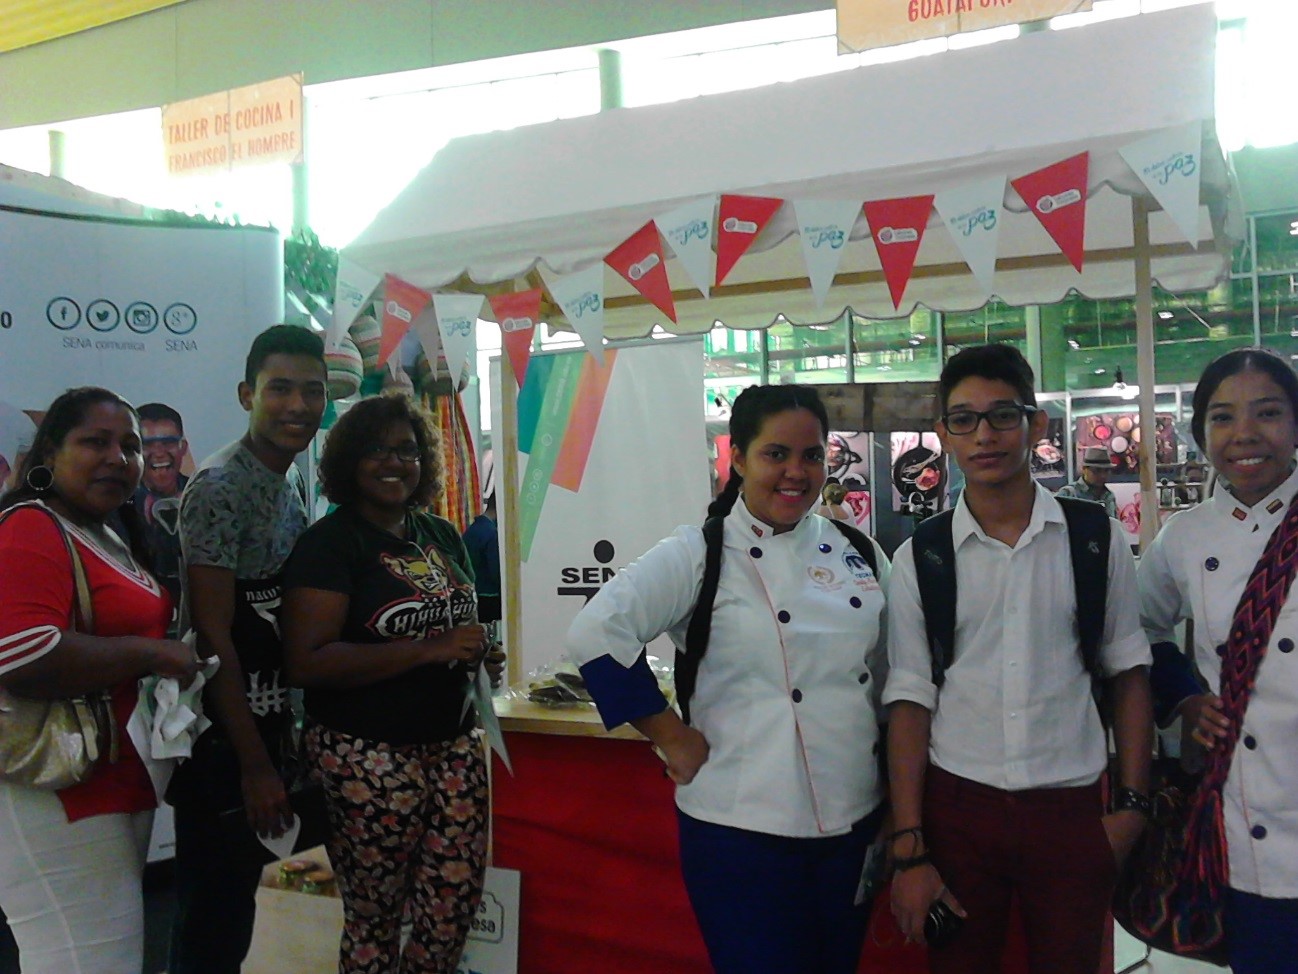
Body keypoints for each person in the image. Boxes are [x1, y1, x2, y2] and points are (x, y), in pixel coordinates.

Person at [567, 384, 890, 974]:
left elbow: (891, 676)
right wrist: (670, 735)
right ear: (737, 457)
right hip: (739, 830)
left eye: (812, 455)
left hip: (853, 823)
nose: (796, 472)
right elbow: (596, 633)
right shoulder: (699, 551)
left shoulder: (860, 551)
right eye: (775, 454)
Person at [884, 344, 1153, 974]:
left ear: (1035, 425)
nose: (985, 435)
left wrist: (1132, 810)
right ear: (944, 434)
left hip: (1071, 811)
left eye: (1003, 416)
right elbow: (910, 700)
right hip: (958, 812)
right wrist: (910, 847)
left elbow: (1129, 672)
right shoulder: (921, 556)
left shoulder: (1093, 538)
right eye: (964, 419)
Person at [281, 393, 500, 974]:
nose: (394, 462)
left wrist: (478, 659)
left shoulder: (440, 534)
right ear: (348, 461)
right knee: (373, 918)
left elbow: (455, 626)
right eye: (376, 450)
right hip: (366, 755)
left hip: (454, 747)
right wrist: (429, 649)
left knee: (451, 909)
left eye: (407, 450)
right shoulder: (330, 544)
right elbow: (306, 662)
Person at [0, 387, 199, 974]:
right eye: (95, 442)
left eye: (130, 446)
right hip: (53, 788)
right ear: (49, 453)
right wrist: (153, 653)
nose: (119, 458)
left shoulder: (103, 531)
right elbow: (22, 655)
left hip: (108, 781)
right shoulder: (30, 526)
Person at [166, 324, 327, 974]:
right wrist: (254, 765)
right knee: (214, 924)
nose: (297, 406)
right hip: (228, 745)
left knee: (265, 919)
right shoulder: (219, 486)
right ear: (246, 395)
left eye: (312, 391)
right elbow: (213, 637)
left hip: (275, 729)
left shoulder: (288, 481)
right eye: (279, 389)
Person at [1139, 347, 1298, 973]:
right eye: (1223, 417)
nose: (1245, 434)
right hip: (1244, 827)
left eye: (1268, 413)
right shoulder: (1186, 536)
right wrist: (1184, 696)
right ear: (1202, 432)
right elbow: (1138, 628)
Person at [132, 402, 190, 616]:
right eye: (148, 444)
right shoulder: (116, 507)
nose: (159, 453)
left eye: (168, 442)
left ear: (183, 447)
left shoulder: (205, 496)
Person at [462, 489, 501, 623]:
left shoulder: (471, 530)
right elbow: (496, 573)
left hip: (473, 595)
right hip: (491, 598)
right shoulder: (492, 534)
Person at [1056, 445, 1118, 516]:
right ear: (1084, 469)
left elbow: (1114, 521)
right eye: (1097, 470)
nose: (1102, 475)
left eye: (1106, 471)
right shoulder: (1068, 493)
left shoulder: (1109, 496)